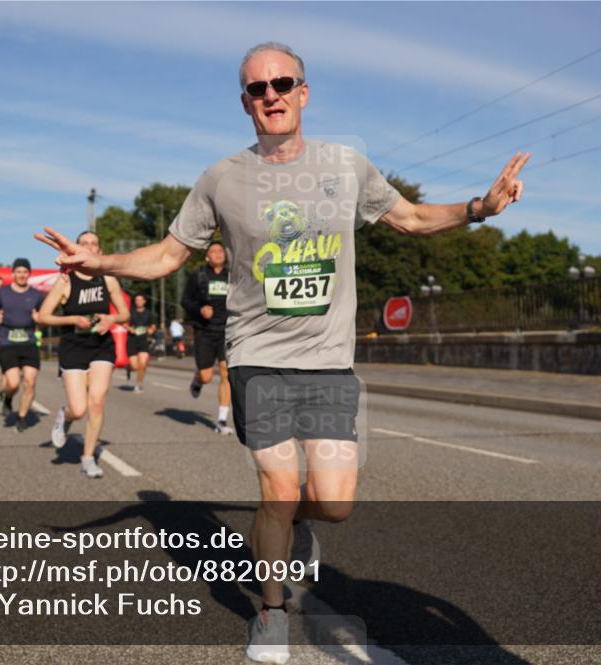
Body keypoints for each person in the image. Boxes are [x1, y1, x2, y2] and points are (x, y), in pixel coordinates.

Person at [36, 42, 528, 663]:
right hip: (257, 357)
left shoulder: (346, 166)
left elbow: (410, 218)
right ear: (244, 103)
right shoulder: (221, 178)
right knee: (276, 483)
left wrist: (480, 208)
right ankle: (269, 613)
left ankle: (298, 531)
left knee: (336, 503)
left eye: (281, 83)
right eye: (256, 88)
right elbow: (166, 256)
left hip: (327, 360)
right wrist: (100, 261)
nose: (270, 94)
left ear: (303, 92)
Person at [37, 231, 130, 479]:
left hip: (101, 345)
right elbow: (43, 316)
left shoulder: (108, 280)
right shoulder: (65, 281)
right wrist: (72, 320)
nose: (89, 247)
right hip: (73, 345)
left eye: (94, 244)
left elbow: (123, 314)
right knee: (79, 409)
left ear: (99, 251)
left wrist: (110, 318)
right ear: (76, 249)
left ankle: (88, 457)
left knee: (97, 401)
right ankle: (64, 416)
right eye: (84, 243)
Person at [182, 241, 233, 435]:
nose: (218, 253)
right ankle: (197, 380)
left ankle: (221, 420)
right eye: (213, 251)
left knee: (226, 372)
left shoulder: (233, 276)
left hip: (227, 331)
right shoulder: (199, 276)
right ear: (207, 256)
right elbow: (185, 300)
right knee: (206, 375)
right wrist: (200, 309)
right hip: (204, 330)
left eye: (221, 250)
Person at [0, 258, 45, 432]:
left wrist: (40, 319)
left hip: (29, 342)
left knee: (30, 381)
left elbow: (44, 316)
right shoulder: (4, 292)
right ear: (13, 273)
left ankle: (21, 417)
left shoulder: (36, 295)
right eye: (19, 271)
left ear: (29, 274)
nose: (22, 275)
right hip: (8, 342)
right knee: (13, 383)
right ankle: (7, 398)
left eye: (25, 272)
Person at [125, 294, 155, 394]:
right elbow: (123, 323)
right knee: (135, 366)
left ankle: (138, 385)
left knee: (142, 365)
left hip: (144, 340)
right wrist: (130, 329)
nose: (138, 301)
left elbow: (153, 325)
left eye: (140, 300)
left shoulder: (149, 313)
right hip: (132, 340)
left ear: (144, 301)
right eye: (136, 300)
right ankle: (129, 367)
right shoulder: (130, 312)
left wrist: (151, 329)